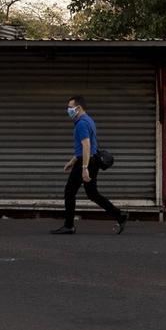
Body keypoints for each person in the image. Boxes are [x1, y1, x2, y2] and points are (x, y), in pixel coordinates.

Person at [50, 96, 129, 235]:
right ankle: (119, 215)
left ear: (78, 108)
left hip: (86, 162)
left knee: (69, 192)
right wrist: (72, 160)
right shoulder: (89, 120)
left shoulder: (81, 123)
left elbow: (86, 146)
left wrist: (84, 168)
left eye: (70, 107)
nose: (68, 110)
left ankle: (69, 226)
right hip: (90, 161)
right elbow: (89, 146)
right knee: (92, 194)